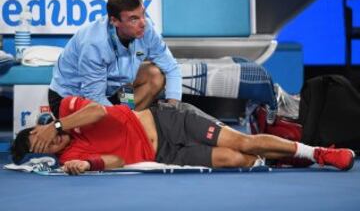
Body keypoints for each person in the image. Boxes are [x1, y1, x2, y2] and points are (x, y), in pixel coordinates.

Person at [11, 96, 355, 175]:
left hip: (169, 122)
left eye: (41, 137)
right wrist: (89, 164)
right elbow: (117, 160)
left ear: (42, 128)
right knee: (236, 160)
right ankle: (285, 157)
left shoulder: (69, 111)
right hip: (165, 156)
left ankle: (319, 153)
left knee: (242, 141)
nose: (51, 144)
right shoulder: (68, 158)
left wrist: (57, 125)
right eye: (43, 148)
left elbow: (99, 112)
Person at [48, 0, 182, 118]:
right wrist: (124, 119)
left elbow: (171, 67)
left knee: (155, 75)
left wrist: (173, 108)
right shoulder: (93, 43)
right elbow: (94, 99)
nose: (143, 23)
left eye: (143, 14)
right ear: (114, 21)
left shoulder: (146, 29)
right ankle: (129, 123)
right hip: (71, 97)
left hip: (112, 90)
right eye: (133, 19)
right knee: (111, 126)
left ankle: (130, 120)